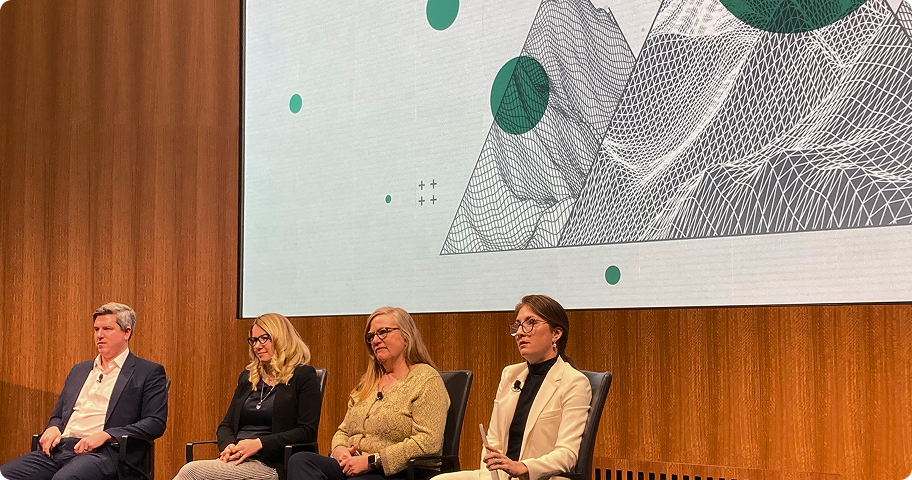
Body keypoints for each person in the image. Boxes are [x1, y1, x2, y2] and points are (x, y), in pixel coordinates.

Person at [0, 302, 169, 480]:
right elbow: (58, 415)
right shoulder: (79, 370)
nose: (99, 335)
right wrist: (53, 427)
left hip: (104, 452)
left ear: (127, 332)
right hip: (60, 449)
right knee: (5, 474)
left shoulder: (147, 372)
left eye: (107, 329)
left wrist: (107, 435)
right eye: (96, 329)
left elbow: (155, 422)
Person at [435, 294, 592, 480]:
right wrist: (491, 475)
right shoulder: (510, 375)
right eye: (517, 325)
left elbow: (567, 454)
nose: (519, 332)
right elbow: (493, 440)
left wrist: (523, 467)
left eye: (530, 322)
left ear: (556, 333)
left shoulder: (574, 382)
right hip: (501, 477)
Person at [287, 307, 449, 480]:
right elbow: (343, 431)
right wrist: (340, 451)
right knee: (300, 460)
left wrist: (372, 461)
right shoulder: (368, 383)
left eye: (383, 332)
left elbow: (428, 441)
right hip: (355, 466)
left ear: (406, 336)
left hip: (401, 471)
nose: (375, 340)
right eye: (371, 336)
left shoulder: (426, 378)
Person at [174, 313, 322, 480]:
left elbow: (306, 431)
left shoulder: (302, 376)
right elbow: (226, 425)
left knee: (191, 472)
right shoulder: (248, 378)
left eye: (263, 339)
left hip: (270, 463)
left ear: (280, 339)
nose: (257, 346)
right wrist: (229, 446)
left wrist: (259, 444)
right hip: (237, 460)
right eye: (253, 340)